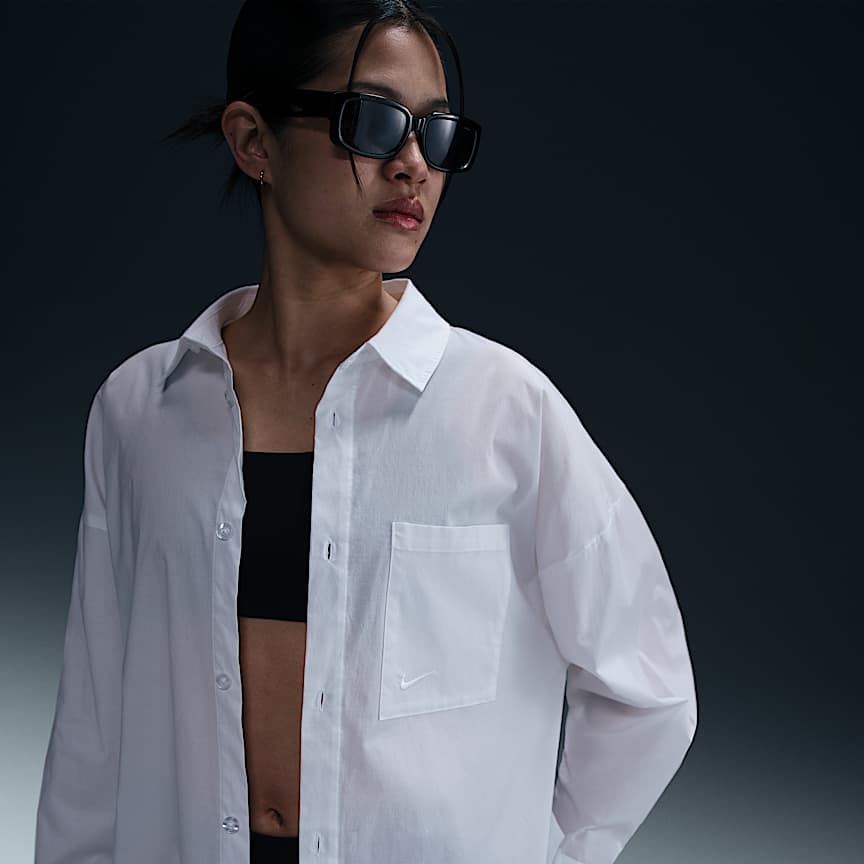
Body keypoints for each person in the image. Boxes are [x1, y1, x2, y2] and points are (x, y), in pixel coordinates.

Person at [34, 1, 698, 863]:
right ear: (253, 140)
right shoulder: (139, 411)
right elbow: (94, 730)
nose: (414, 164)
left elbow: (650, 689)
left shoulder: (505, 412)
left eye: (437, 132)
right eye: (374, 121)